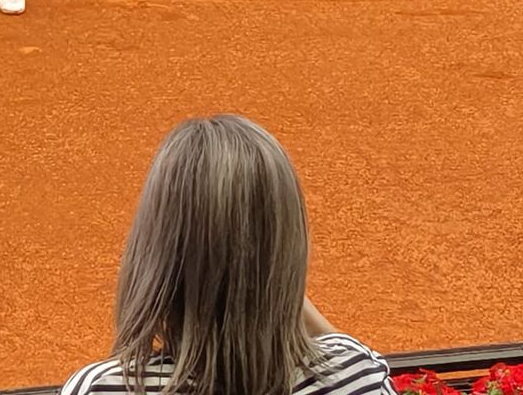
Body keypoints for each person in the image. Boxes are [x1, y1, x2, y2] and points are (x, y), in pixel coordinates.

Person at [60, 116, 398, 395]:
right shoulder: (357, 375)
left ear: (154, 256)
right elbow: (345, 350)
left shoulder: (102, 388)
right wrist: (272, 278)